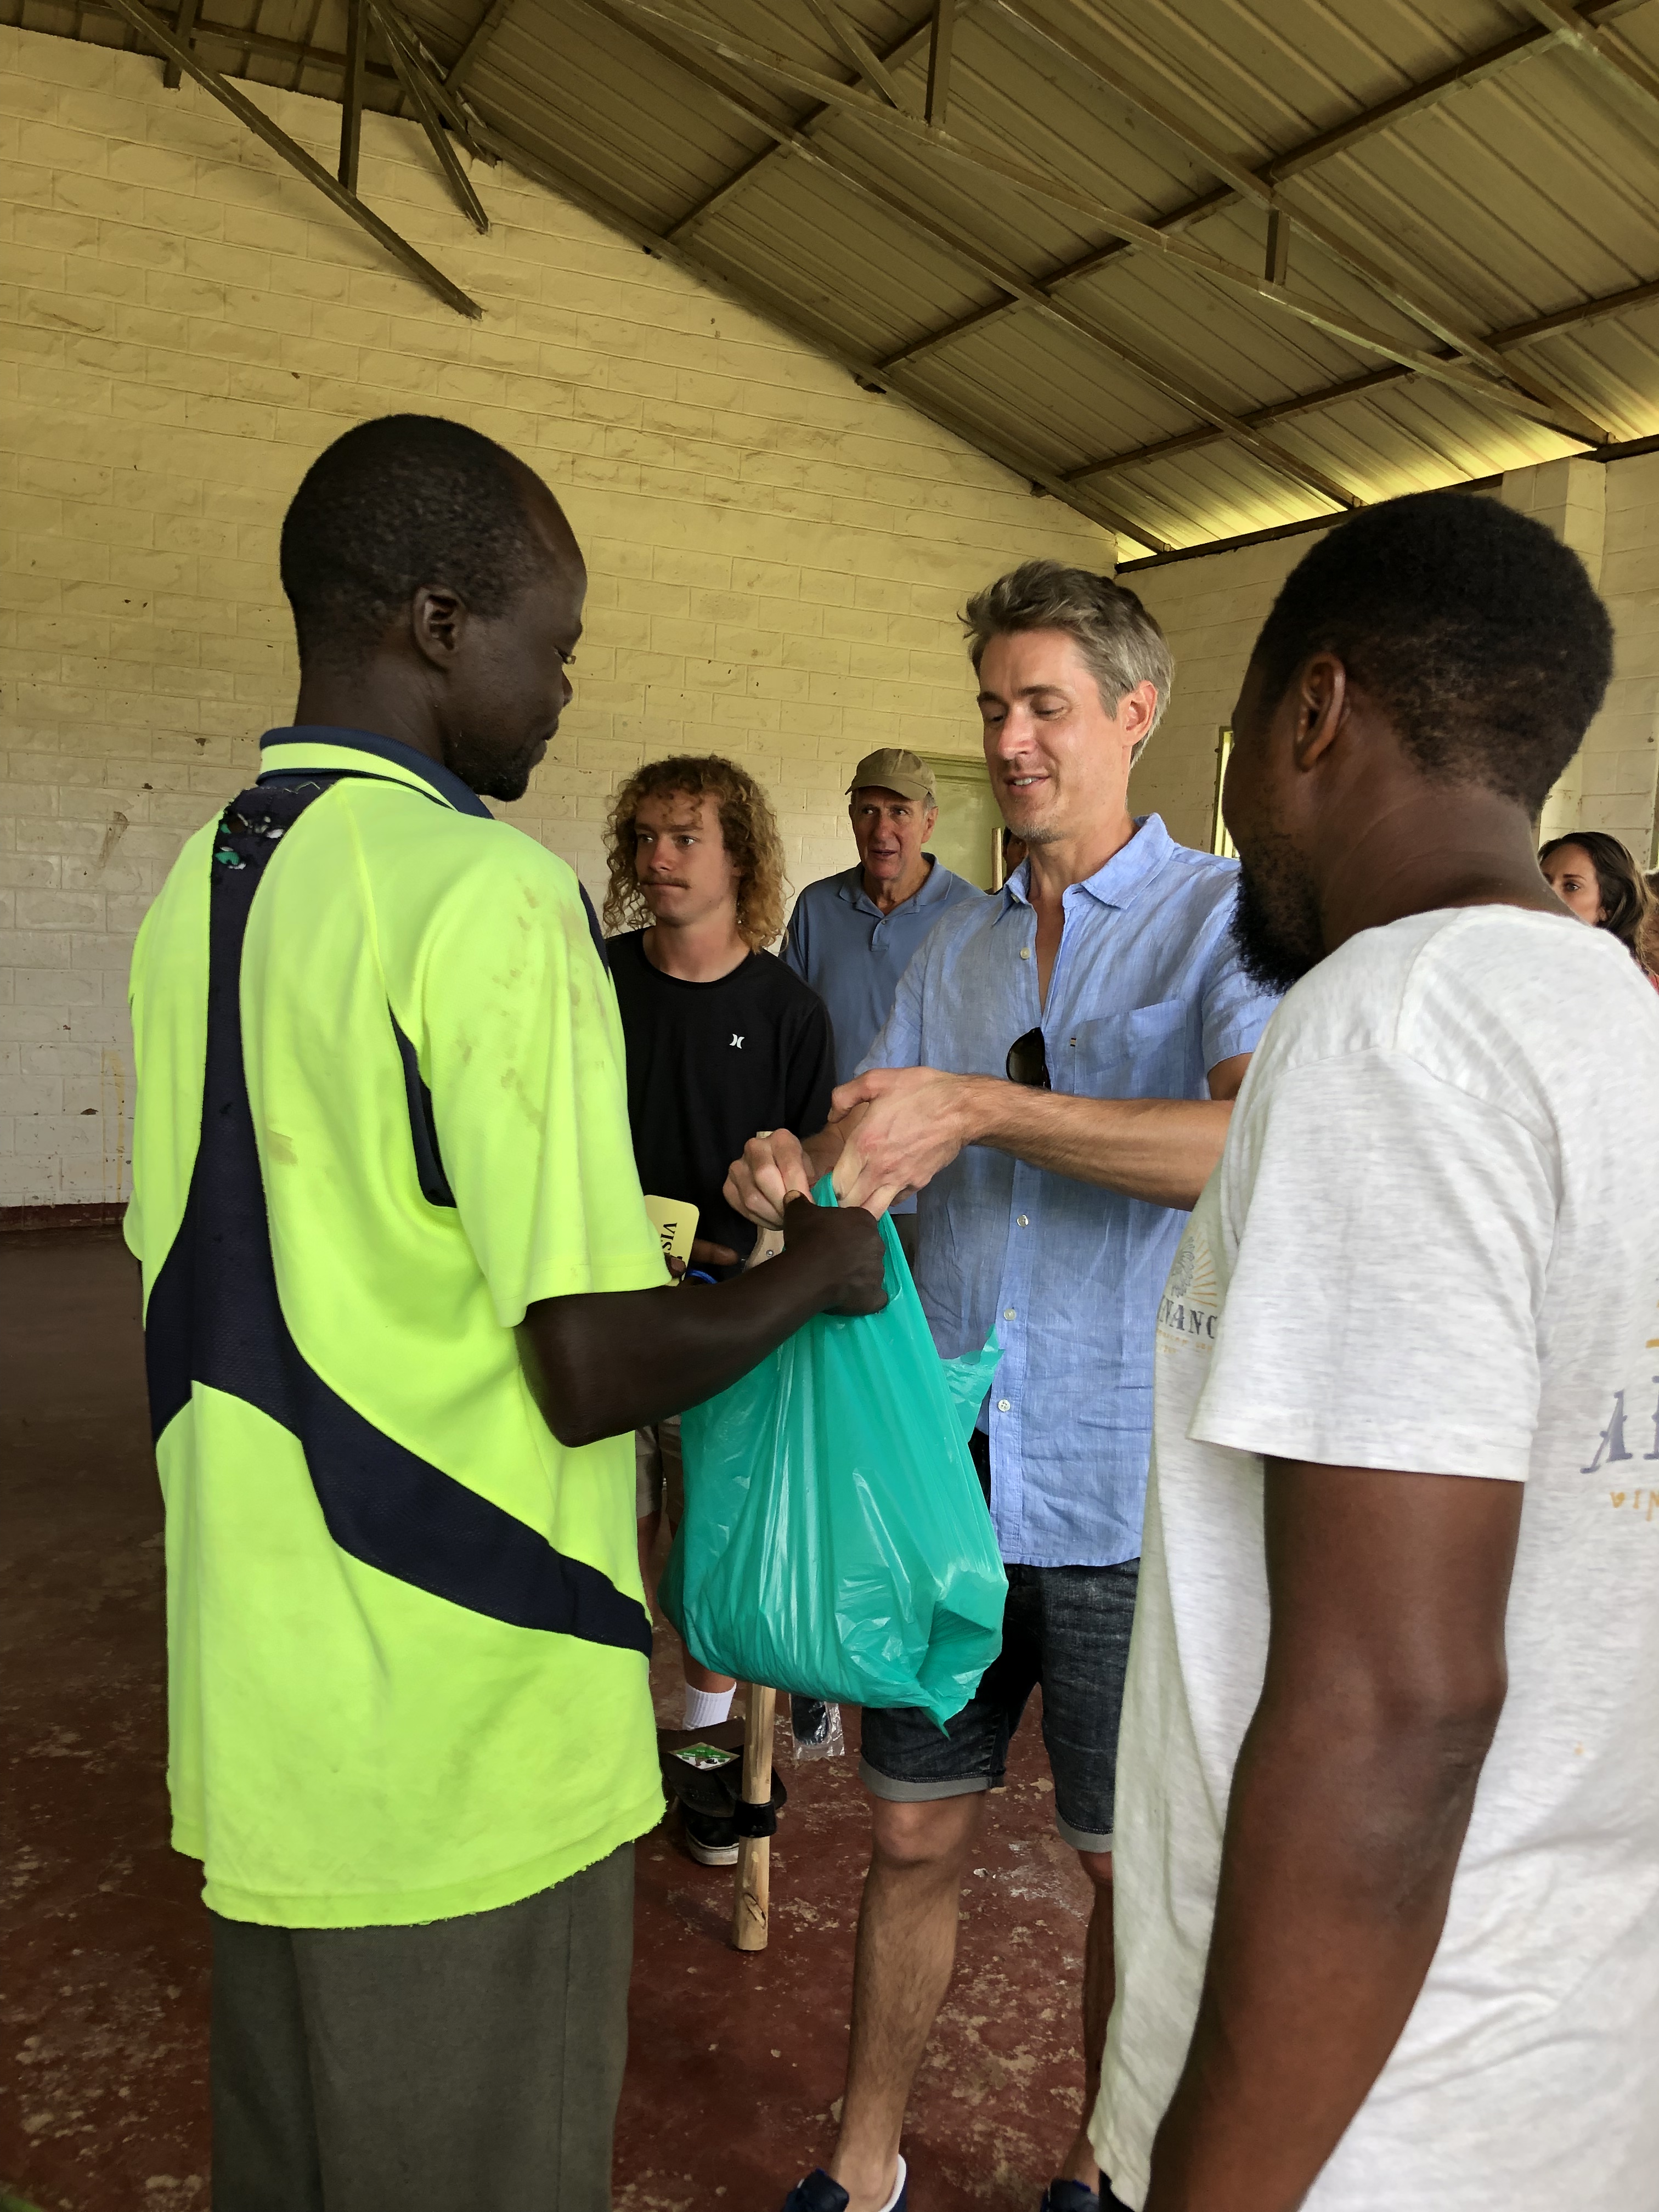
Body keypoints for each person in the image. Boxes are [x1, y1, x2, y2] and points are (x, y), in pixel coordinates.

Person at [122, 413, 885, 2212]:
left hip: (263, 1694)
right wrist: (815, 1276)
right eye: (555, 644)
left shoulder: (200, 887)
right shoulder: (483, 891)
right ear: (439, 621)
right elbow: (586, 1364)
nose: (561, 691)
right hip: (462, 1713)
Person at [1090, 490, 1659, 2210]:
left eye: (1241, 744)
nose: (1239, 813)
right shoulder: (1614, 1027)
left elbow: (1398, 1709)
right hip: (1563, 2076)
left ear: (1316, 712)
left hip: (1364, 2138)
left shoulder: (1391, 1028)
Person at [729, 560, 1282, 2212]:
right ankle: (865, 2157)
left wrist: (986, 1109)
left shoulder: (1223, 923)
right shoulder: (957, 948)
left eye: (1046, 705)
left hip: (1125, 1490)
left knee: (1120, 1866)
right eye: (994, 708)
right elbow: (867, 1148)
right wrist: (794, 1169)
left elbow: (1248, 1149)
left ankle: (1102, 2163)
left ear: (1137, 713)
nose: (1014, 740)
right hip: (946, 1475)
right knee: (909, 1833)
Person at [603, 753, 836, 1843]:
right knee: (608, 1543)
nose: (658, 857)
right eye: (645, 836)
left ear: (739, 855)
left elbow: (806, 1188)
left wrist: (745, 1259)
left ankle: (703, 1761)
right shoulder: (596, 982)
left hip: (722, 1329)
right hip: (597, 1321)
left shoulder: (788, 1011)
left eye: (685, 837)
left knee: (709, 1559)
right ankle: (603, 1753)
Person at [782, 748, 984, 1261]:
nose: (881, 830)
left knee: (914, 1309)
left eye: (900, 812)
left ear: (929, 823)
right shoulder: (816, 906)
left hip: (923, 1180)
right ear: (852, 818)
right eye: (868, 810)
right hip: (828, 1172)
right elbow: (786, 1030)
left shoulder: (972, 914)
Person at [1539, 828, 1657, 978]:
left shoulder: (1627, 982)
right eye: (1543, 880)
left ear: (1607, 907)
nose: (1549, 893)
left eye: (1572, 886)